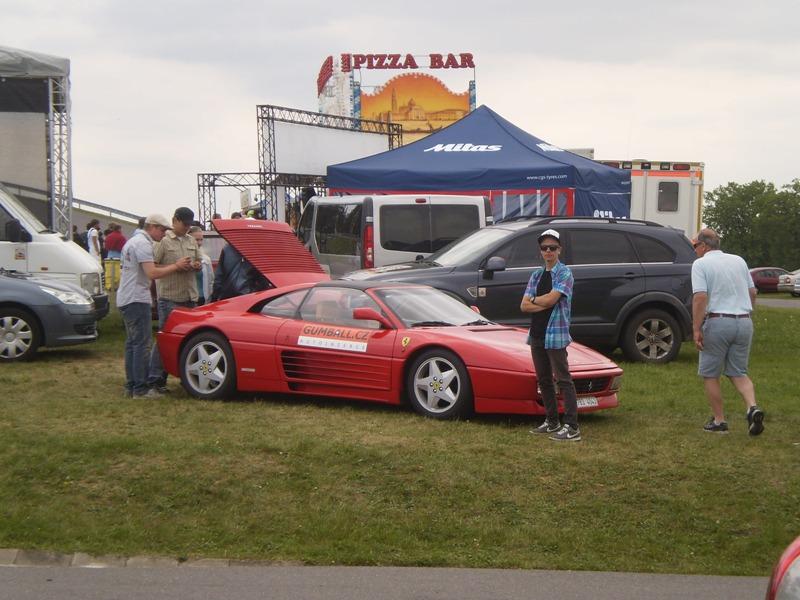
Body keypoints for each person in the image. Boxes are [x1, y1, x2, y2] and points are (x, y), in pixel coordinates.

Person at [691, 228, 764, 435]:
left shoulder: (701, 264)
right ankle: (752, 407)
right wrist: (747, 312)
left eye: (695, 246)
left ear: (704, 246)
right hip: (743, 321)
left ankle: (719, 421)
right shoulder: (739, 261)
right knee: (738, 371)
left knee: (710, 373)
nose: (694, 250)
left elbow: (700, 298)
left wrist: (696, 329)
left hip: (718, 322)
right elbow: (752, 292)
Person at [117, 214, 192, 398]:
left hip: (127, 297)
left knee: (132, 344)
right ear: (151, 227)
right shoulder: (143, 244)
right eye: (161, 229)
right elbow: (152, 273)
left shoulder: (132, 242)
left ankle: (131, 385)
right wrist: (175, 266)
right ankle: (141, 389)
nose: (163, 233)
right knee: (142, 344)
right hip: (137, 298)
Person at [520, 229, 580, 442]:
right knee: (544, 380)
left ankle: (572, 427)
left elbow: (550, 301)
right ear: (540, 251)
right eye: (544, 248)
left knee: (563, 380)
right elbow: (523, 306)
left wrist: (536, 300)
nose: (548, 251)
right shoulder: (536, 275)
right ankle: (552, 421)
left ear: (559, 250)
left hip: (555, 334)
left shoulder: (565, 273)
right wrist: (540, 301)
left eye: (552, 248)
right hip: (537, 333)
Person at [147, 207, 202, 393]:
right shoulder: (163, 241)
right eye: (184, 224)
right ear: (175, 220)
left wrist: (196, 265)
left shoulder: (191, 240)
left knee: (189, 341)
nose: (186, 228)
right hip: (170, 298)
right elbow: (152, 266)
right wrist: (176, 266)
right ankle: (155, 379)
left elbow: (199, 262)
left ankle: (187, 377)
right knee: (165, 340)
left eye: (189, 225)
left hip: (190, 297)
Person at [189, 225, 214, 305]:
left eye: (201, 240)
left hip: (203, 298)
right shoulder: (183, 257)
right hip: (188, 298)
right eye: (196, 240)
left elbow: (211, 281)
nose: (199, 243)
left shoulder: (206, 259)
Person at [103, 223, 127, 292]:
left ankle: (109, 287)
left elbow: (106, 247)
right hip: (118, 257)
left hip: (109, 256)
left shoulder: (108, 236)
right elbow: (123, 248)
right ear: (119, 229)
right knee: (117, 275)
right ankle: (116, 287)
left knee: (109, 274)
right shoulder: (121, 237)